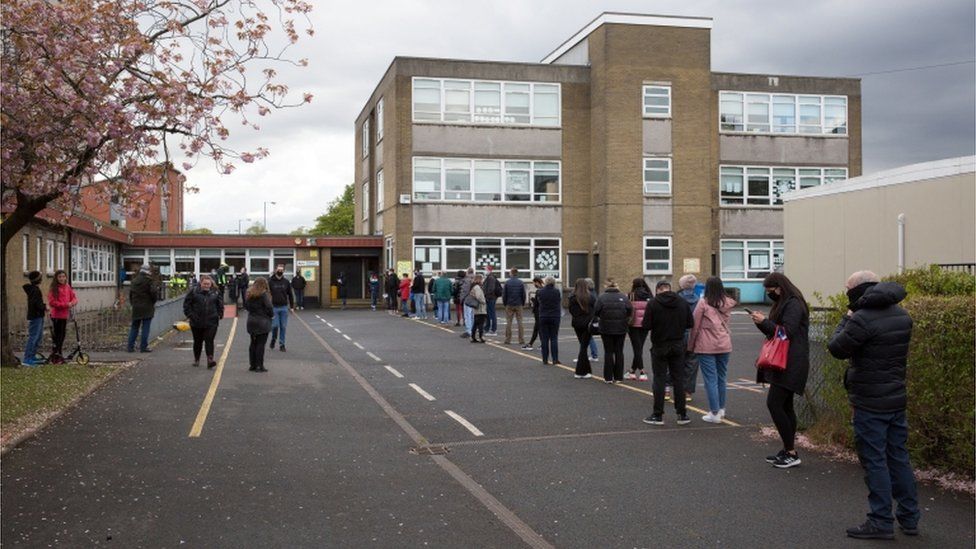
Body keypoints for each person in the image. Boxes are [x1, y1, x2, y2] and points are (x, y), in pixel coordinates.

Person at [827, 271, 919, 540]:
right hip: (895, 397)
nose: (846, 292)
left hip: (869, 401)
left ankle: (880, 520)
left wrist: (846, 318)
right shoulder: (902, 315)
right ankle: (910, 516)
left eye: (848, 288)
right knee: (898, 457)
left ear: (859, 290)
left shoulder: (862, 320)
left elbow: (836, 348)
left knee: (875, 461)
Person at [749, 272, 810, 469]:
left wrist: (765, 322)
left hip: (791, 362)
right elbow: (775, 332)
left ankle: (791, 452)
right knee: (785, 406)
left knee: (775, 404)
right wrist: (762, 323)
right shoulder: (784, 302)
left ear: (779, 288)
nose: (769, 294)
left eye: (770, 291)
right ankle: (788, 449)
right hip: (785, 361)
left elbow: (786, 333)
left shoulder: (793, 304)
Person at [642, 280, 693, 426]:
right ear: (669, 289)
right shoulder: (682, 302)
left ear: (658, 289)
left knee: (659, 379)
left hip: (660, 344)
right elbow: (690, 323)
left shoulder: (653, 303)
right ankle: (682, 414)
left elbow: (646, 325)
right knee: (679, 379)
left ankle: (657, 415)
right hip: (678, 344)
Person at [687, 277, 736, 423]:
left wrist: (691, 345)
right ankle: (721, 409)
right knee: (722, 377)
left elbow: (694, 326)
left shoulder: (703, 303)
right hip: (724, 343)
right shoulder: (727, 303)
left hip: (706, 345)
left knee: (710, 379)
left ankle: (714, 413)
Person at [593, 279, 632, 384]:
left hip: (606, 328)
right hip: (621, 327)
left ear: (606, 286)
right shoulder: (624, 297)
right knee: (619, 351)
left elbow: (596, 311)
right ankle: (618, 377)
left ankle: (608, 377)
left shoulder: (601, 297)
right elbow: (629, 310)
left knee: (608, 352)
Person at [182, 275, 224, 368]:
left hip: (211, 321)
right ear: (201, 283)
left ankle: (210, 359)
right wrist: (190, 315)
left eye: (208, 284)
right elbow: (186, 305)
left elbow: (220, 304)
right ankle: (197, 359)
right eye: (204, 284)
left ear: (211, 283)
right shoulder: (193, 292)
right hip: (196, 321)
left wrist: (220, 314)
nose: (206, 286)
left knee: (209, 340)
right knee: (198, 341)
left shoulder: (215, 292)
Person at [678, 274, 701, 400]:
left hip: (679, 334)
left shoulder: (677, 298)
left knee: (675, 362)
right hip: (693, 334)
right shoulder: (699, 300)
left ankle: (668, 389)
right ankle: (687, 392)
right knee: (692, 363)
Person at [47, 269, 78, 363]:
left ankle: (58, 355)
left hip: (65, 316)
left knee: (62, 337)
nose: (62, 278)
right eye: (60, 277)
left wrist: (72, 303)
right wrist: (65, 305)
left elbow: (74, 298)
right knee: (57, 338)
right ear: (56, 278)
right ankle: (56, 357)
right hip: (56, 316)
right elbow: (52, 302)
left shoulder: (67, 287)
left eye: (63, 276)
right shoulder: (54, 288)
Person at [245, 277, 274, 372]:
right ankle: (259, 365)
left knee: (253, 343)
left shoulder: (249, 294)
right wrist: (271, 315)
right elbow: (269, 307)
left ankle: (252, 365)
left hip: (251, 321)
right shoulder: (264, 294)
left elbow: (247, 306)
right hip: (262, 322)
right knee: (261, 344)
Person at [625, 278, 652, 381]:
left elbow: (626, 310)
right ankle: (632, 370)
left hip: (633, 324)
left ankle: (641, 371)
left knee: (637, 348)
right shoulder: (649, 296)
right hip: (645, 325)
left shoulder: (630, 295)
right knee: (639, 348)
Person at [567, 278, 595, 379]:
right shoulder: (591, 297)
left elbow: (571, 311)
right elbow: (594, 310)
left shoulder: (572, 297)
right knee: (583, 347)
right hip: (588, 324)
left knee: (583, 346)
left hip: (577, 323)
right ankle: (580, 371)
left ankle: (586, 370)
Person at [128, 264, 158, 353]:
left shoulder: (134, 281)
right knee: (145, 327)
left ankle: (130, 347)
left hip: (136, 307)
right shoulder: (149, 281)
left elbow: (131, 294)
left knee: (134, 327)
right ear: (147, 271)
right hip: (147, 307)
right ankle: (143, 347)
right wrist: (153, 301)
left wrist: (133, 304)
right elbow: (153, 293)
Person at [536, 276, 562, 365]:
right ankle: (555, 359)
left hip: (543, 316)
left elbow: (539, 302)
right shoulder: (557, 292)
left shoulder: (540, 292)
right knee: (554, 338)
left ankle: (545, 359)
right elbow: (559, 301)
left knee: (544, 339)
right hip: (554, 316)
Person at [21, 270, 46, 366]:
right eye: (40, 277)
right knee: (33, 337)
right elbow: (36, 304)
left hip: (38, 315)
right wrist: (44, 307)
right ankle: (27, 358)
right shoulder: (35, 290)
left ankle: (32, 356)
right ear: (38, 279)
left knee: (38, 337)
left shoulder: (34, 289)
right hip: (36, 316)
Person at [268, 265, 294, 352]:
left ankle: (282, 344)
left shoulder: (286, 282)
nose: (280, 271)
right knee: (275, 326)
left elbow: (290, 294)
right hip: (274, 307)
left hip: (284, 307)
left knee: (283, 326)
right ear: (275, 270)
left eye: (282, 270)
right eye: (279, 270)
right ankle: (273, 339)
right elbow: (267, 294)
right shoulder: (271, 281)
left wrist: (292, 307)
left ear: (284, 271)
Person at [502, 268, 527, 346]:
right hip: (519, 304)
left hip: (509, 304)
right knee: (520, 322)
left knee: (509, 322)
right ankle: (521, 340)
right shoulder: (520, 283)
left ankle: (507, 339)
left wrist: (505, 303)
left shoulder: (507, 283)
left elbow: (504, 294)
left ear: (511, 273)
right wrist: (523, 303)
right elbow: (523, 294)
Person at [523, 277, 544, 350]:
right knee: (537, 329)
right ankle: (531, 343)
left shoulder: (539, 291)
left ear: (537, 282)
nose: (534, 284)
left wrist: (532, 299)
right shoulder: (543, 290)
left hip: (538, 312)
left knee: (539, 329)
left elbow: (537, 303)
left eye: (534, 283)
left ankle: (540, 344)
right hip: (541, 312)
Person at [468, 274, 488, 343]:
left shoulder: (474, 286)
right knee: (480, 323)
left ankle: (473, 337)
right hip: (480, 308)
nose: (483, 281)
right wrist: (484, 301)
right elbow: (479, 297)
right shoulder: (477, 287)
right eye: (482, 279)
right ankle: (481, 337)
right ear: (479, 280)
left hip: (477, 308)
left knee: (476, 323)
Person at [482, 266, 501, 336]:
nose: (484, 271)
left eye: (485, 269)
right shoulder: (488, 277)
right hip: (489, 298)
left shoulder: (491, 278)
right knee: (488, 314)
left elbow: (491, 289)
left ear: (489, 270)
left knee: (492, 314)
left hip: (490, 298)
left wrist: (485, 295)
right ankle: (487, 327)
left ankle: (493, 329)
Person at [584, 278, 600, 361]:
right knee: (589, 337)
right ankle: (594, 355)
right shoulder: (594, 292)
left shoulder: (590, 294)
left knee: (587, 337)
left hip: (590, 317)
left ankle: (593, 355)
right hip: (593, 317)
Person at [459, 267, 475, 337]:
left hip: (467, 300)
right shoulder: (475, 279)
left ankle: (469, 330)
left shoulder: (467, 280)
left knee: (467, 315)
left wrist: (461, 299)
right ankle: (473, 329)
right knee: (472, 315)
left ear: (467, 272)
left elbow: (464, 291)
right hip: (474, 299)